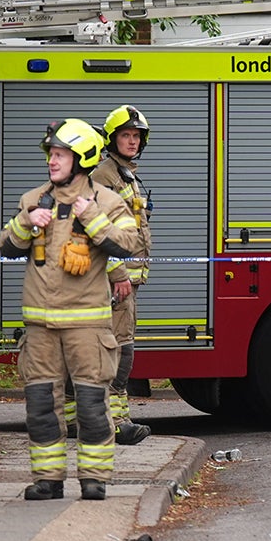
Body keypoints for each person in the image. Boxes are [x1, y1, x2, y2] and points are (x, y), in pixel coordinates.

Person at [0, 119, 143, 500]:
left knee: (93, 406)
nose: (52, 160)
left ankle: (94, 479)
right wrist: (25, 224)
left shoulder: (107, 201)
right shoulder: (33, 200)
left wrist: (93, 220)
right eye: (51, 153)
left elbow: (130, 242)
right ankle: (48, 479)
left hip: (87, 328)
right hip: (40, 328)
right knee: (41, 406)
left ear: (81, 158)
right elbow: (5, 247)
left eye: (60, 154)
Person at [95, 104, 153, 446]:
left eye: (136, 136)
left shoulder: (124, 174)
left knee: (116, 348)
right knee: (118, 350)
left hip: (125, 280)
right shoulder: (105, 176)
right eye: (125, 135)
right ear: (112, 139)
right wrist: (118, 273)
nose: (132, 141)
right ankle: (116, 422)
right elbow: (100, 232)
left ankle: (90, 420)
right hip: (114, 281)